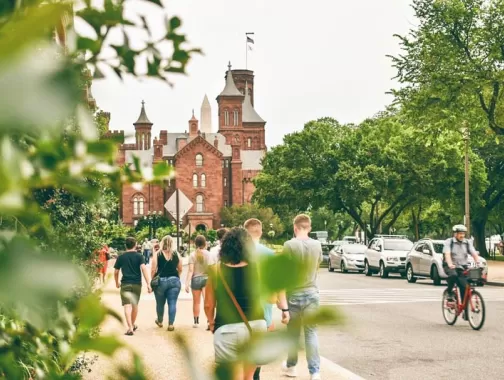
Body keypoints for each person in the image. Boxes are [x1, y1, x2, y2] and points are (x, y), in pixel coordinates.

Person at [205, 228, 274, 380]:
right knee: (248, 377)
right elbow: (271, 299)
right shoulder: (259, 269)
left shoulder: (215, 270)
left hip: (226, 327)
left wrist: (211, 322)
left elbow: (209, 304)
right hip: (255, 325)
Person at [282, 214, 322, 380]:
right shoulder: (317, 245)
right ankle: (314, 372)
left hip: (294, 294)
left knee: (293, 333)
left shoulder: (289, 245)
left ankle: (291, 366)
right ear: (309, 228)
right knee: (311, 333)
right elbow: (318, 264)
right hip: (312, 292)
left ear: (295, 228)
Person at [243, 219, 276, 380]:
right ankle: (255, 374)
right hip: (263, 312)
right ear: (261, 232)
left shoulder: (237, 253)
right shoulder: (269, 254)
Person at [114, 236, 152, 336]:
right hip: (136, 284)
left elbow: (116, 271)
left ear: (125, 245)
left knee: (127, 306)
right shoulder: (139, 256)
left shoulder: (121, 257)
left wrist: (116, 282)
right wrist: (148, 283)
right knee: (135, 306)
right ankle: (132, 324)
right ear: (135, 245)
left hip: (125, 283)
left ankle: (130, 327)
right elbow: (144, 269)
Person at [151, 235, 182, 331]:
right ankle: (171, 324)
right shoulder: (176, 254)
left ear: (162, 243)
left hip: (161, 281)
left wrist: (152, 280)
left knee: (160, 303)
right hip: (174, 280)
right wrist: (177, 277)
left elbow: (153, 269)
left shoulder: (158, 254)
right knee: (172, 303)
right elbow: (180, 268)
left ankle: (160, 321)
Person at [443, 224, 480, 306]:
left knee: (464, 286)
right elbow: (447, 254)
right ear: (455, 234)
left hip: (462, 266)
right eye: (460, 233)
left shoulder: (467, 242)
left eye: (463, 233)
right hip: (450, 265)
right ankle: (449, 293)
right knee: (453, 275)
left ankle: (465, 309)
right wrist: (450, 264)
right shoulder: (449, 242)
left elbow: (473, 253)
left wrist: (478, 262)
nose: (462, 235)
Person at [185, 235, 210, 328]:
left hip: (195, 279)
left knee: (196, 302)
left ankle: (196, 321)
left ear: (195, 244)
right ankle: (209, 320)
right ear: (205, 243)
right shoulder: (209, 254)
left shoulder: (192, 255)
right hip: (207, 279)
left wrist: (187, 283)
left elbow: (191, 270)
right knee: (207, 301)